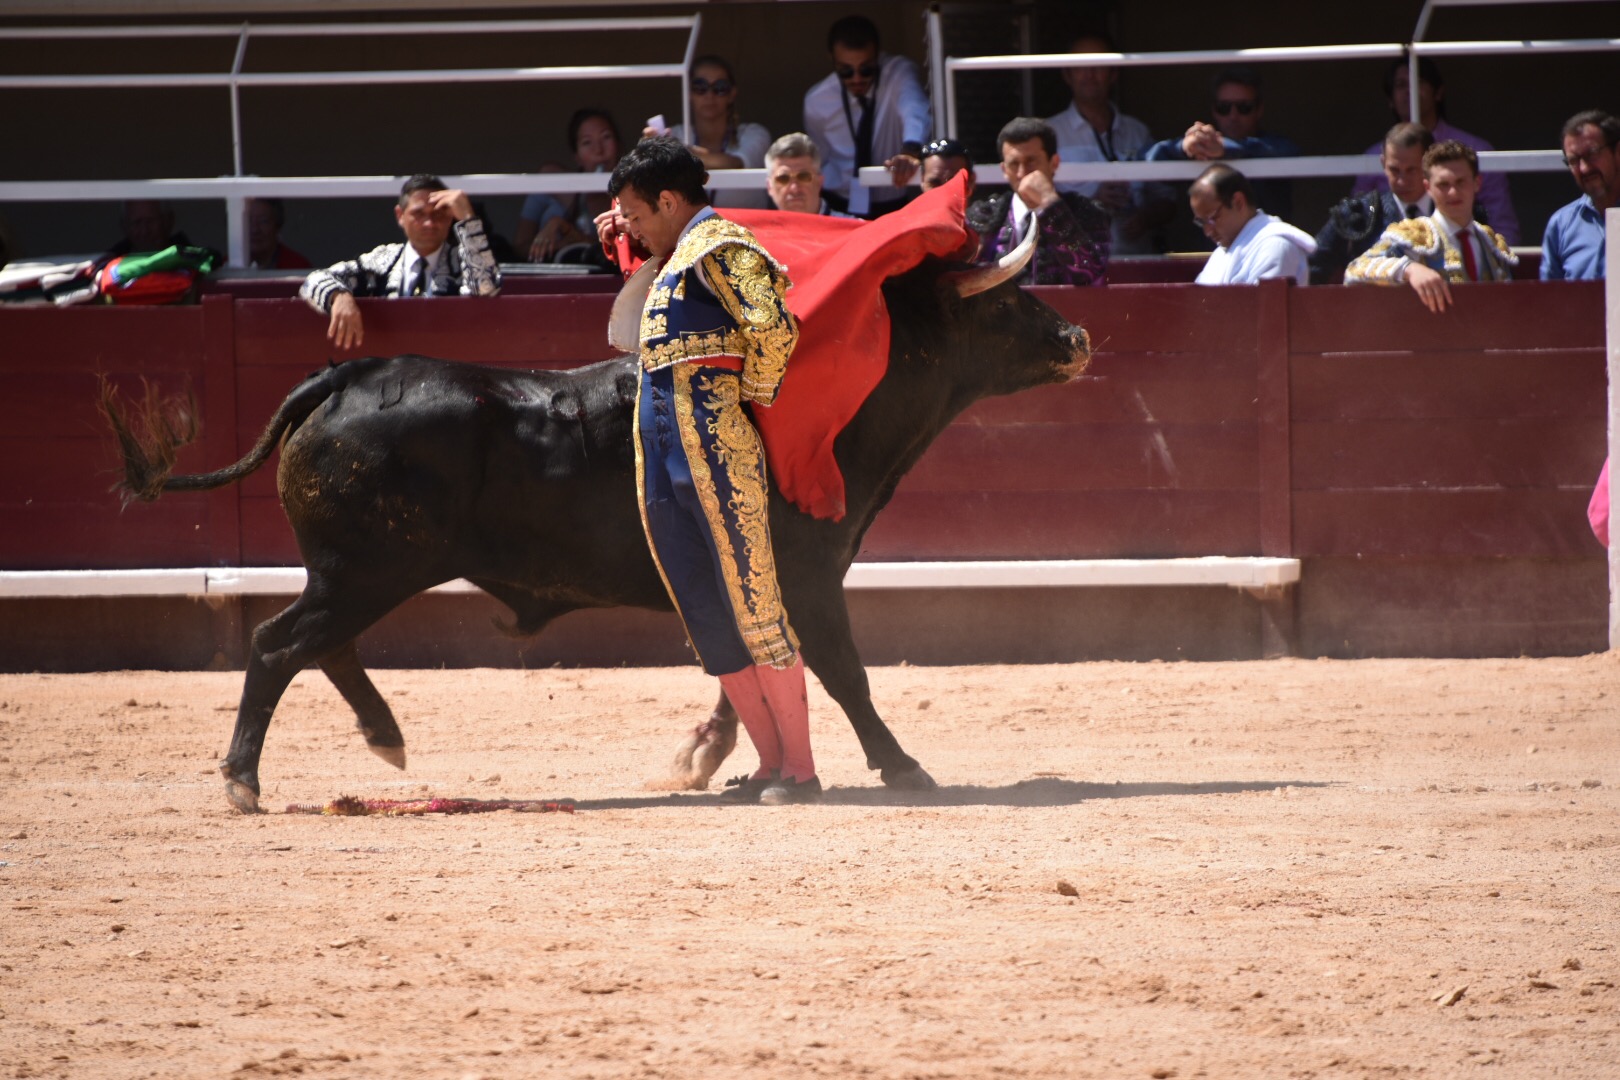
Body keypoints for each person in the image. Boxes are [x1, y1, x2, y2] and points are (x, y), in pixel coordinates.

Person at [608, 135, 820, 805]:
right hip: (661, 458)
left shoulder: (722, 246)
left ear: (670, 202)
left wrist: (741, 400)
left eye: (636, 215)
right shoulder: (675, 259)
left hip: (718, 452)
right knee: (706, 611)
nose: (632, 228)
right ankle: (767, 764)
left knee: (755, 603)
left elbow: (775, 329)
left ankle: (801, 770)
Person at [299, 174, 501, 350]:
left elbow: (486, 290)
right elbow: (313, 280)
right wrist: (339, 296)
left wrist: (467, 219)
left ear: (450, 217)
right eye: (419, 214)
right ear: (400, 215)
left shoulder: (462, 262)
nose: (429, 223)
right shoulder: (383, 260)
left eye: (438, 214)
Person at [1350, 57, 1519, 244]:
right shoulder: (1372, 156)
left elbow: (1501, 225)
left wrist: (1491, 257)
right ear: (1390, 99)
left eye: (1419, 82)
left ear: (1438, 92)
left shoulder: (1477, 150)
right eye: (1401, 85)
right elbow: (1357, 224)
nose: (1410, 90)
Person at [1344, 141, 1516, 312]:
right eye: (1443, 184)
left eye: (1460, 182)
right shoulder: (1414, 234)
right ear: (1427, 187)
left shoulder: (1490, 241)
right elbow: (1356, 269)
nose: (1453, 192)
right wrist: (1409, 269)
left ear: (1477, 183)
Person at [1045, 31, 1175, 255]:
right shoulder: (1050, 133)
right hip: (1075, 264)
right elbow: (1034, 204)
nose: (1089, 74)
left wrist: (1146, 218)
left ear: (1113, 73)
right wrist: (1092, 202)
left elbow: (1167, 199)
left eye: (1099, 65)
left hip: (1137, 261)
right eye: (1080, 66)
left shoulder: (1137, 132)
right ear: (1067, 75)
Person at [802, 14, 932, 217]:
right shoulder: (817, 101)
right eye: (846, 71)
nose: (857, 78)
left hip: (891, 202)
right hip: (838, 199)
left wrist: (910, 151)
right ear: (832, 60)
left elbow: (916, 110)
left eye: (866, 69)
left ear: (878, 56)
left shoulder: (897, 74)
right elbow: (820, 159)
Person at [966, 117, 1110, 286]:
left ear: (1054, 163)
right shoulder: (984, 215)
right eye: (1014, 164)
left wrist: (1049, 204)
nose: (1022, 173)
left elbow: (1091, 272)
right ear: (1004, 169)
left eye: (1031, 161)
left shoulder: (1087, 212)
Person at [1143, 65, 1300, 220]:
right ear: (1214, 110)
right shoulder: (1200, 148)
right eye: (1223, 107)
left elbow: (1289, 152)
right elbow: (1145, 158)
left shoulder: (1276, 147)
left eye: (1244, 107)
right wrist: (1184, 147)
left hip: (1263, 235)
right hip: (1208, 238)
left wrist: (1224, 148)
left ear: (1259, 110)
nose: (1233, 116)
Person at [1311, 123, 1435, 284]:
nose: (1402, 181)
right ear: (1383, 163)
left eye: (1411, 170)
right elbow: (1313, 266)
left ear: (1429, 164)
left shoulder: (1452, 209)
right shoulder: (1359, 214)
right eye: (1394, 170)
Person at [645, 55, 772, 210]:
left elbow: (737, 164)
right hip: (692, 226)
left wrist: (677, 153)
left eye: (720, 87)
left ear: (732, 93)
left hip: (747, 225)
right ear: (689, 93)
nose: (709, 95)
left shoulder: (754, 133)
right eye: (700, 87)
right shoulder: (676, 134)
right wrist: (648, 150)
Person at [514, 108, 622, 263]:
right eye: (587, 142)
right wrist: (559, 244)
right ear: (577, 156)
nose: (598, 150)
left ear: (618, 144)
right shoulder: (555, 186)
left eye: (606, 137)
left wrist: (568, 229)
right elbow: (519, 247)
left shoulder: (628, 195)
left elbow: (622, 251)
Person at [1189, 164, 1314, 286]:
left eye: (1212, 218)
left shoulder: (1275, 247)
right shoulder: (1219, 254)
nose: (1208, 231)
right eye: (1202, 222)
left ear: (1238, 202)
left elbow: (1266, 300)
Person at [1541, 109, 1618, 281]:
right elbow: (1549, 294)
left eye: (1592, 154)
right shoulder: (1561, 225)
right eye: (1574, 160)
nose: (1584, 168)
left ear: (1618, 152)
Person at [763, 132, 858, 217]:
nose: (794, 189)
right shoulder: (757, 231)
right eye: (783, 179)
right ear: (769, 186)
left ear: (820, 182)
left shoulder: (853, 229)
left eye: (803, 177)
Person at [107, 199, 194, 256]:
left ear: (168, 221)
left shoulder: (192, 262)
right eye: (136, 223)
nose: (144, 231)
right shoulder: (110, 265)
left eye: (150, 221)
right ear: (124, 225)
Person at [245, 198, 311, 270]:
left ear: (277, 225)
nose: (255, 229)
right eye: (248, 220)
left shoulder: (298, 267)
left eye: (263, 221)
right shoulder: (234, 264)